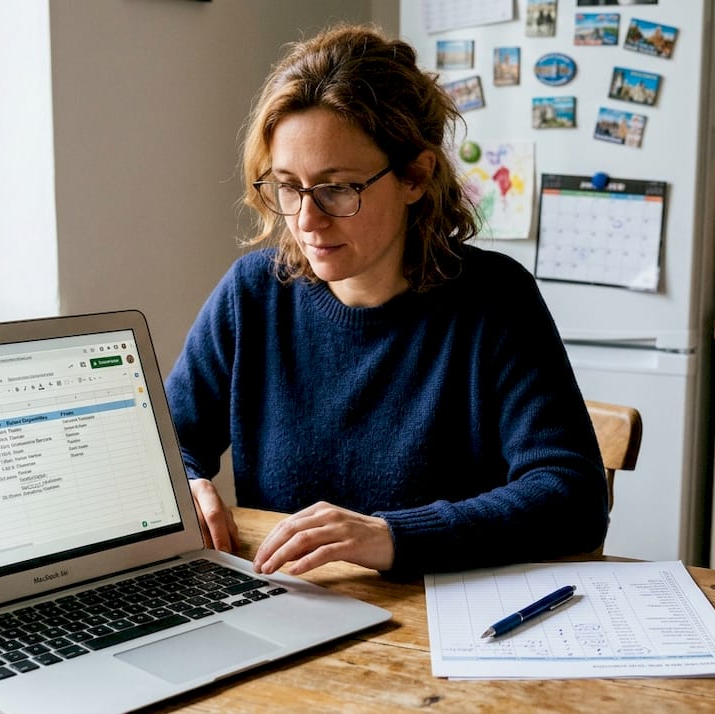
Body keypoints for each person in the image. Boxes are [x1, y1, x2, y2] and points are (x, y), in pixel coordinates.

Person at [164, 24, 607, 578]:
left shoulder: (495, 301)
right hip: (291, 609)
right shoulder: (252, 294)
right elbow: (167, 443)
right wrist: (187, 482)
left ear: (415, 176)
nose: (306, 219)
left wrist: (393, 535)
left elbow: (573, 496)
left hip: (443, 629)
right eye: (287, 186)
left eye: (337, 187)